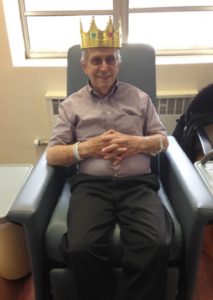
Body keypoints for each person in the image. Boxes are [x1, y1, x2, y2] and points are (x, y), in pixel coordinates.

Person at [46, 16, 172, 300]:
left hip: (138, 185)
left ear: (119, 63)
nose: (104, 67)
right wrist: (87, 148)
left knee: (155, 245)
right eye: (96, 60)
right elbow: (53, 154)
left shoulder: (140, 99)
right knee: (80, 248)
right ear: (84, 65)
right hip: (91, 188)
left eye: (110, 60)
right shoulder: (71, 106)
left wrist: (135, 143)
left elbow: (163, 140)